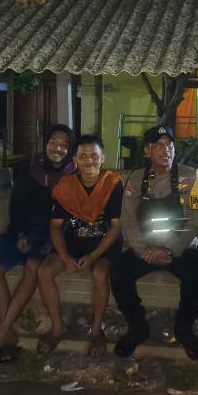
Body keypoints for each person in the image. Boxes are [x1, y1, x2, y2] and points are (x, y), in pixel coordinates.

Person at [111, 125, 198, 360]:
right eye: (158, 145)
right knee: (118, 272)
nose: (166, 150)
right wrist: (144, 250)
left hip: (179, 249)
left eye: (170, 145)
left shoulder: (194, 177)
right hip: (144, 250)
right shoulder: (135, 179)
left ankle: (184, 328)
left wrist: (169, 249)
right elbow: (128, 219)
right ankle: (137, 327)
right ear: (147, 151)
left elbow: (196, 220)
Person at [0, 124, 75, 372]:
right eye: (53, 142)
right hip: (21, 232)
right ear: (45, 143)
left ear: (70, 149)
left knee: (33, 265)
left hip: (50, 237)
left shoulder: (72, 176)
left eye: (64, 144)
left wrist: (43, 240)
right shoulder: (29, 169)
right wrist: (20, 234)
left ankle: (1, 332)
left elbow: (68, 219)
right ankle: (8, 333)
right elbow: (17, 206)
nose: (58, 148)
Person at [36, 135, 124, 357]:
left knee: (101, 274)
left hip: (103, 247)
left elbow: (115, 229)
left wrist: (93, 256)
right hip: (72, 245)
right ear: (75, 160)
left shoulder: (112, 185)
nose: (89, 161)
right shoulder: (66, 187)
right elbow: (55, 227)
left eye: (94, 156)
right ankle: (57, 327)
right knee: (44, 271)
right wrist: (65, 256)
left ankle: (96, 330)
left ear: (103, 158)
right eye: (83, 156)